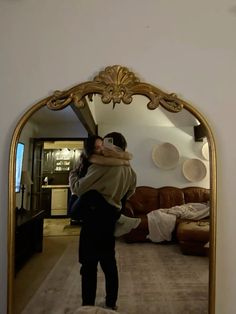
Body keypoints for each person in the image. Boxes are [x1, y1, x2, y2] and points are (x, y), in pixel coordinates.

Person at [69, 132, 137, 310]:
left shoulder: (102, 167)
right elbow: (129, 193)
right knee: (109, 264)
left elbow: (78, 189)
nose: (102, 148)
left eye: (106, 144)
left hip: (93, 220)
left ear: (111, 145)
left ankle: (88, 306)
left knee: (89, 266)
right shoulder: (129, 170)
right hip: (109, 221)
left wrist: (73, 174)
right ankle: (110, 303)